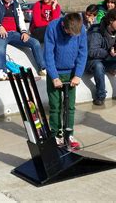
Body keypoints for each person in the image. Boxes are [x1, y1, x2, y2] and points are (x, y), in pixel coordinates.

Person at [44, 13, 87, 148]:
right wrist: (54, 76)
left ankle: (69, 134)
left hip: (71, 74)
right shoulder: (52, 27)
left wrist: (78, 75)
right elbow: (48, 54)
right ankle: (56, 135)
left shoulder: (81, 29)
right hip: (55, 73)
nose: (72, 37)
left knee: (70, 107)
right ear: (64, 26)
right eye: (70, 34)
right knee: (55, 106)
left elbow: (83, 52)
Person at [0, 0, 46, 80]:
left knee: (35, 42)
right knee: (1, 47)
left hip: (14, 34)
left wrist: (23, 32)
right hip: (0, 34)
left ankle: (42, 68)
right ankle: (2, 71)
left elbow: (21, 20)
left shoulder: (16, 5)